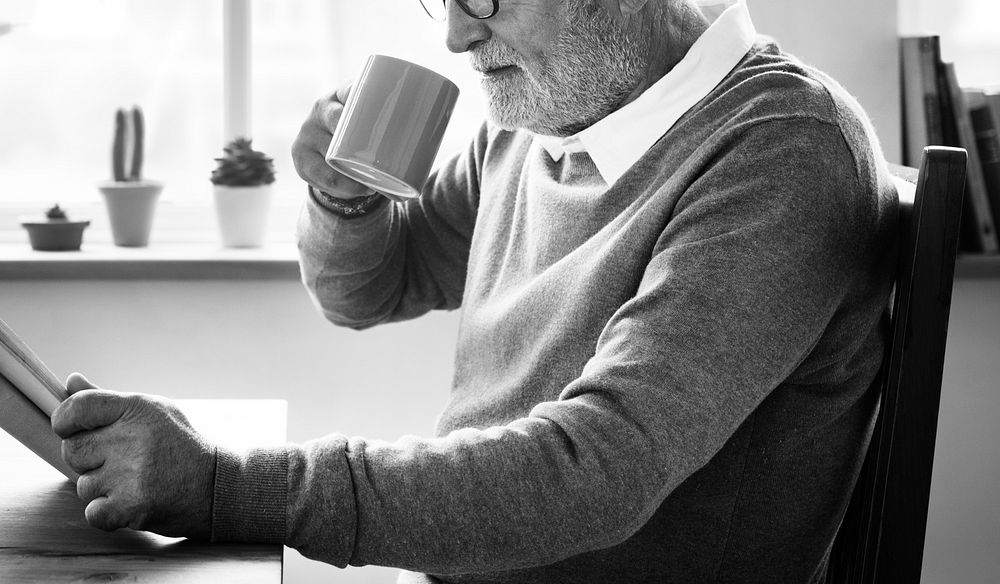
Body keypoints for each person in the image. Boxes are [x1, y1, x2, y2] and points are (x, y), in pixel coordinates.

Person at [52, 0, 900, 581]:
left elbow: (592, 475)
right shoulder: (545, 119)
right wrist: (344, 196)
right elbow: (372, 289)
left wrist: (223, 486)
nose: (458, 35)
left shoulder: (782, 148)